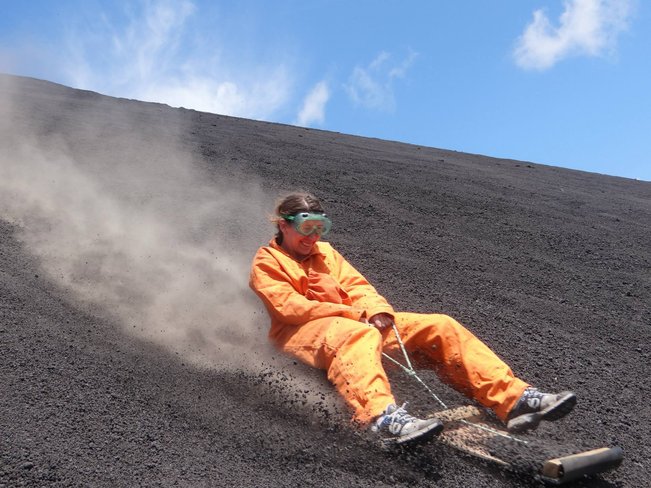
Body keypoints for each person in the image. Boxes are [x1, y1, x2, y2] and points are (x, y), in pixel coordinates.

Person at [249, 192, 576, 445]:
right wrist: (353, 314)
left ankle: (515, 399)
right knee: (355, 334)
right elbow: (289, 308)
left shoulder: (327, 254)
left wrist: (377, 310)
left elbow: (358, 287)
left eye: (320, 229)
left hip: (354, 330)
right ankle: (379, 418)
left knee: (439, 326)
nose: (312, 237)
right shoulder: (267, 262)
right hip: (299, 337)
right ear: (283, 224)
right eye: (306, 228)